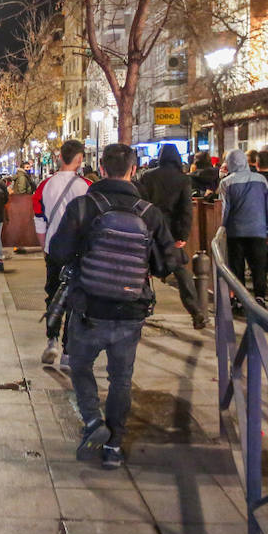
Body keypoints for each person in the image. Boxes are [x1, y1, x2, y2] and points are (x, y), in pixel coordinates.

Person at [48, 144, 179, 469]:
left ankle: (93, 421)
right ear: (133, 171)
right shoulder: (149, 213)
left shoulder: (84, 206)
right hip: (130, 310)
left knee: (80, 367)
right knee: (121, 378)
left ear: (102, 170)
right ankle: (114, 446)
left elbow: (58, 251)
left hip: (88, 307)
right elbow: (166, 265)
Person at [34, 141, 92, 361]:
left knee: (53, 294)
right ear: (79, 159)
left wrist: (44, 247)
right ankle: (68, 350)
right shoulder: (87, 186)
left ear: (60, 157)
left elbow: (39, 220)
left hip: (54, 249)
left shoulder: (45, 185)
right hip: (79, 251)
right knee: (76, 299)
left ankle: (52, 340)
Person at [138, 144, 206, 329]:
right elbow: (185, 209)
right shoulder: (183, 179)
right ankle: (195, 311)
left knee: (142, 268)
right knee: (180, 270)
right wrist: (182, 234)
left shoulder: (148, 176)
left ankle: (142, 308)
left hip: (148, 227)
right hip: (170, 231)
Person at [219, 149, 268, 306]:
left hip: (235, 232)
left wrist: (222, 228)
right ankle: (260, 297)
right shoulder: (261, 179)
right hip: (258, 230)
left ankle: (239, 299)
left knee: (237, 267)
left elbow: (224, 210)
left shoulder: (226, 182)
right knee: (258, 266)